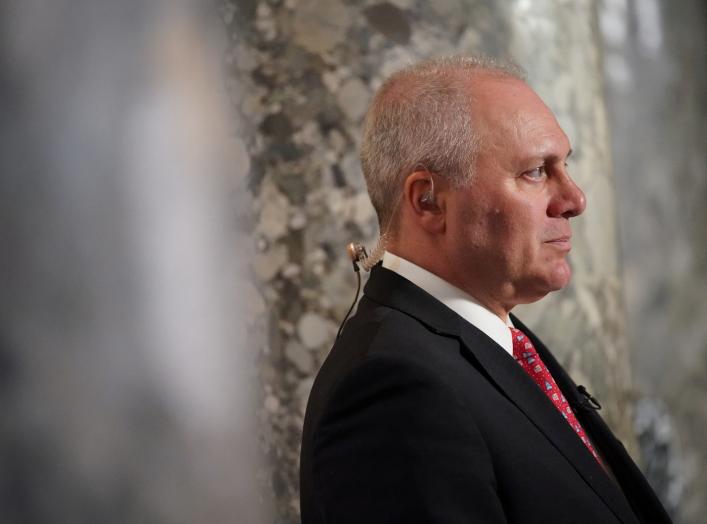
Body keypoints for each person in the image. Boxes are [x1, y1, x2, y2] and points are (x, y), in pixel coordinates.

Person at [299, 56, 671, 524]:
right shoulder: (394, 389)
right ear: (429, 202)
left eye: (565, 165)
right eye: (536, 171)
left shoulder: (492, 338)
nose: (575, 200)